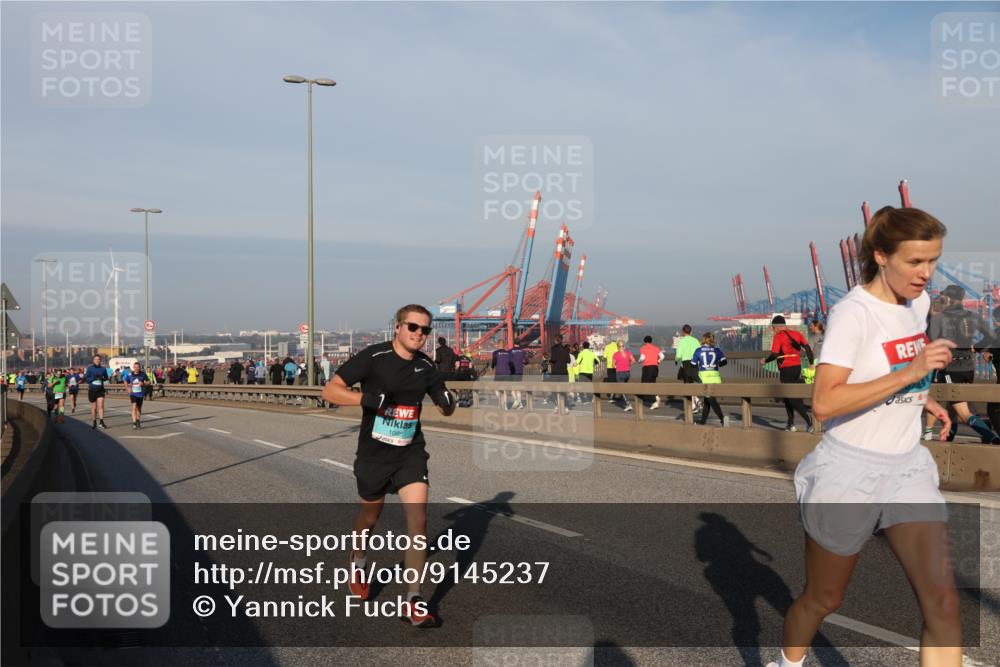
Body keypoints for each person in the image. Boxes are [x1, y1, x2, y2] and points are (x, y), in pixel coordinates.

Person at [767, 206, 961, 667]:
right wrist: (910, 374)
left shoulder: (919, 304)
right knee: (824, 599)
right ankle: (787, 663)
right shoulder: (852, 313)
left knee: (944, 604)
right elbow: (825, 402)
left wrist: (921, 395)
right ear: (881, 256)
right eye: (915, 262)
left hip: (907, 468)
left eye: (932, 261)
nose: (926, 274)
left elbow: (897, 368)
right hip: (848, 472)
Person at [321, 304, 455, 628]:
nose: (419, 335)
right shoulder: (374, 357)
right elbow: (330, 390)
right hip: (373, 456)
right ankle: (358, 558)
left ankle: (413, 600)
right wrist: (366, 400)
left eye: (425, 330)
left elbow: (442, 400)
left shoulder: (426, 366)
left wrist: (448, 403)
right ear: (397, 327)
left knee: (418, 520)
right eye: (413, 327)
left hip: (410, 452)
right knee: (370, 516)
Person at [924, 284, 999, 444]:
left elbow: (929, 342)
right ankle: (948, 443)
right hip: (969, 368)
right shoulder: (973, 317)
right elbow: (992, 337)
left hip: (950, 368)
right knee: (953, 409)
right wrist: (976, 348)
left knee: (964, 413)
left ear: (948, 299)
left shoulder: (940, 318)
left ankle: (993, 438)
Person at [760, 315, 815, 433]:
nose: (773, 330)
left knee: (791, 396)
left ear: (777, 327)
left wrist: (765, 360)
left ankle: (809, 421)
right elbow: (808, 349)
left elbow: (775, 354)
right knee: (787, 396)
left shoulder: (778, 336)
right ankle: (791, 423)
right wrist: (811, 364)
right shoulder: (796, 334)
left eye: (773, 327)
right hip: (797, 367)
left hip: (786, 368)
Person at [692, 332, 729, 426]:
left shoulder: (698, 350)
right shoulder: (717, 350)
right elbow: (724, 361)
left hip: (704, 378)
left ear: (703, 339)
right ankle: (702, 421)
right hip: (715, 378)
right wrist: (718, 364)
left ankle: (722, 419)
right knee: (707, 400)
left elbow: (693, 365)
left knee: (711, 401)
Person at [675, 325, 702, 412]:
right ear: (691, 331)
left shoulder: (682, 341)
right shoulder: (695, 340)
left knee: (688, 384)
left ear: (683, 332)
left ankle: (693, 405)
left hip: (686, 364)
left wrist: (676, 360)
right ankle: (696, 400)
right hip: (695, 363)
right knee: (693, 382)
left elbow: (678, 355)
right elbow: (700, 352)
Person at [638, 335, 665, 409]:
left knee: (646, 384)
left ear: (644, 341)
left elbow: (642, 358)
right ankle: (656, 397)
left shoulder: (643, 348)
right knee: (653, 383)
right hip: (655, 368)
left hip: (647, 368)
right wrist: (658, 361)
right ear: (651, 341)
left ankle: (655, 401)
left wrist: (639, 361)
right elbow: (662, 356)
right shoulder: (656, 348)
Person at [123, 361, 150, 429]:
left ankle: (138, 421)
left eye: (138, 367)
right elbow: (125, 380)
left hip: (140, 394)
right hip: (133, 394)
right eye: (135, 367)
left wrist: (143, 383)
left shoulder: (143, 374)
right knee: (134, 407)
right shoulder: (130, 374)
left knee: (139, 408)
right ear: (133, 368)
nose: (136, 368)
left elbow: (149, 382)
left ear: (140, 368)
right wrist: (127, 388)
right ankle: (134, 423)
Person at [84, 354, 109, 429]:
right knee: (94, 407)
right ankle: (94, 421)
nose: (97, 360)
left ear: (100, 360)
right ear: (93, 360)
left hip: (100, 389)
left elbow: (106, 378)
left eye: (98, 359)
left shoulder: (103, 369)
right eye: (96, 359)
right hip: (92, 389)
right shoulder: (90, 369)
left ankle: (101, 422)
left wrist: (103, 378)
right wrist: (93, 378)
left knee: (101, 405)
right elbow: (86, 379)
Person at [549, 335, 573, 413]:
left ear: (556, 340)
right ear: (562, 340)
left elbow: (553, 360)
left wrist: (550, 361)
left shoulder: (553, 349)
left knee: (554, 390)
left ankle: (557, 406)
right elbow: (569, 361)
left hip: (555, 372)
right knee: (564, 390)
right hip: (564, 372)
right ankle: (566, 407)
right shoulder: (566, 349)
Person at [612, 341, 636, 412]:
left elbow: (613, 365)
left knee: (622, 389)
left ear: (617, 347)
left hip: (620, 373)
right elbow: (634, 361)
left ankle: (628, 404)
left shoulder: (616, 354)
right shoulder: (628, 353)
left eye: (621, 346)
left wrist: (618, 366)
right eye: (620, 346)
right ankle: (625, 399)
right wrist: (628, 364)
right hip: (627, 374)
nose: (621, 347)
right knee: (624, 388)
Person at [802, 320, 825, 385]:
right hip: (826, 362)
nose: (810, 327)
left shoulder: (812, 338)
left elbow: (809, 351)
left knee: (814, 383)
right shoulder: (826, 336)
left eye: (811, 326)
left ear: (816, 326)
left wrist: (811, 364)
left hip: (816, 362)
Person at [509, 343, 528, 410]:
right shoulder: (523, 351)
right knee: (518, 388)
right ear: (519, 344)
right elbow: (526, 361)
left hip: (513, 371)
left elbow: (509, 361)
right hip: (520, 371)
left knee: (512, 389)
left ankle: (517, 401)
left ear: (514, 344)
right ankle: (520, 404)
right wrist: (522, 363)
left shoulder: (510, 351)